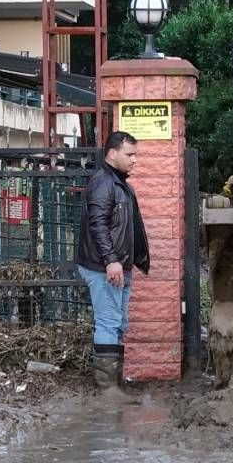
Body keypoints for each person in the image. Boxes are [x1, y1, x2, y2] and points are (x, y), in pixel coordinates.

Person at [76, 131, 149, 393]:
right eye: (130, 155)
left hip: (118, 267)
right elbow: (98, 225)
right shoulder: (104, 184)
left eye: (135, 155)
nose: (134, 161)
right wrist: (111, 261)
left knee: (118, 323)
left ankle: (114, 384)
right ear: (112, 153)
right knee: (109, 323)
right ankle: (108, 390)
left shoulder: (118, 183)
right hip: (104, 267)